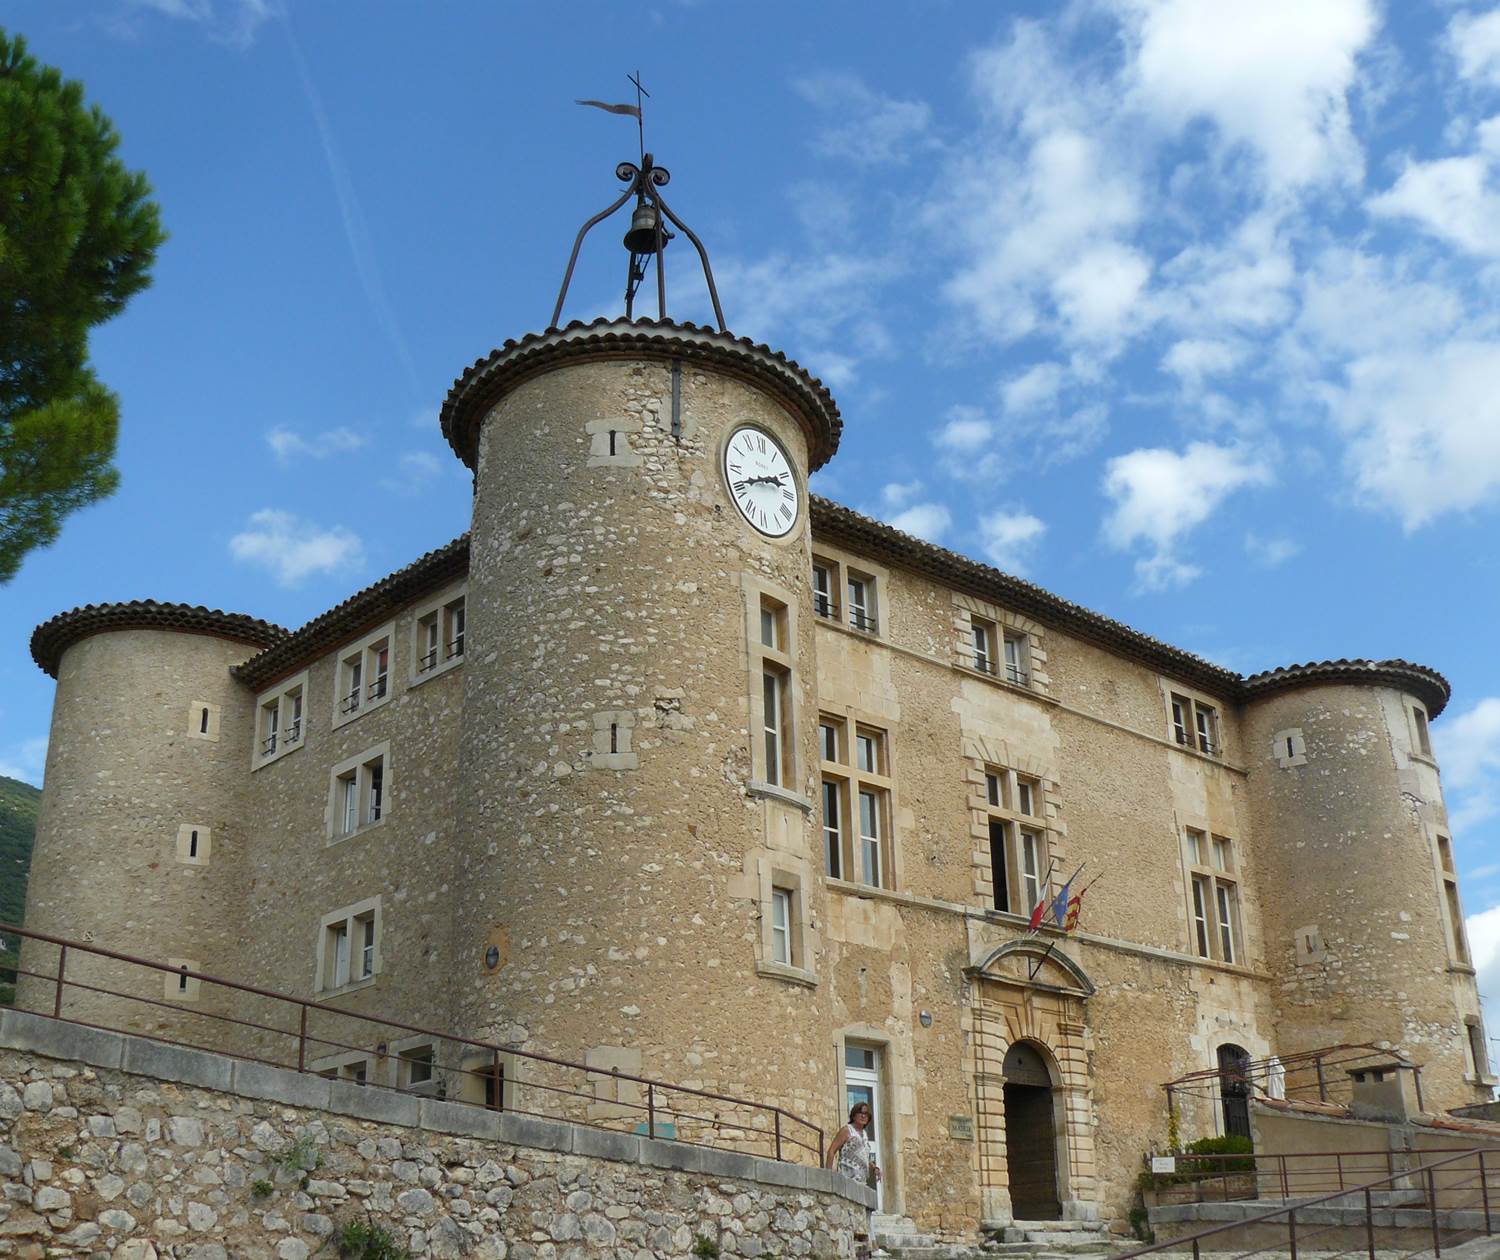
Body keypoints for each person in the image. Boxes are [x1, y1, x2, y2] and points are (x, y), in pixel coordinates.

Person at [828, 1102, 881, 1257]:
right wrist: (827, 1174)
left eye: (866, 1113)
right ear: (854, 1114)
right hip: (848, 1180)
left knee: (866, 1216)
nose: (864, 1115)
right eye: (860, 1112)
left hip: (861, 1181)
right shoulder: (847, 1131)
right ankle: (868, 1249)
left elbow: (862, 1155)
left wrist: (874, 1167)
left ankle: (869, 1249)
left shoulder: (863, 1134)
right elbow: (832, 1151)